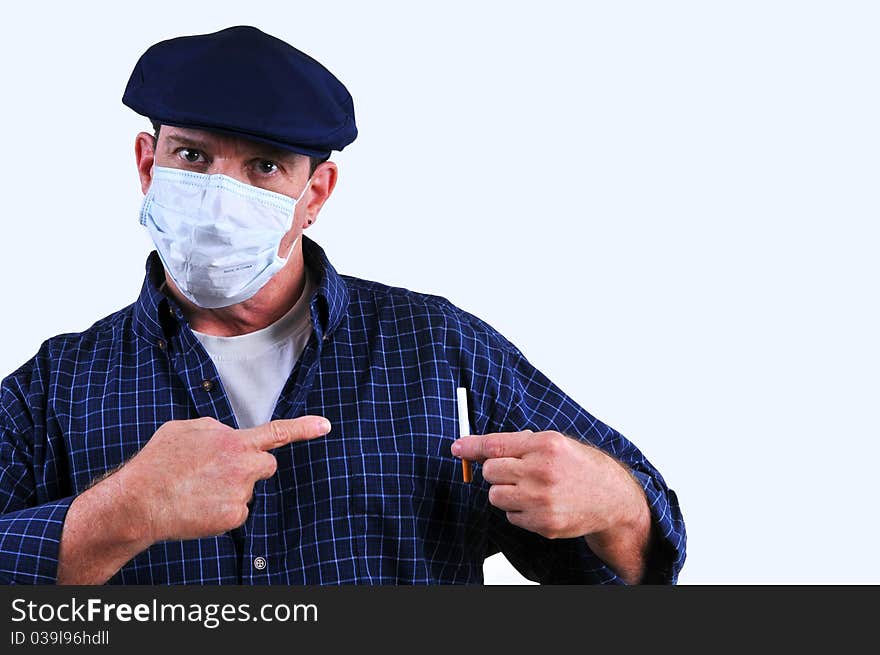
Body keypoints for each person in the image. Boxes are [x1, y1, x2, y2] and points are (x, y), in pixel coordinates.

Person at [0, 26, 685, 585]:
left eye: (264, 167)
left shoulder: (438, 350)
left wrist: (616, 506)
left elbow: (632, 563)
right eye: (194, 155)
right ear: (150, 164)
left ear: (316, 193)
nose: (219, 194)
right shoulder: (58, 387)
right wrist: (120, 512)